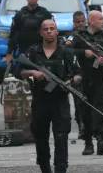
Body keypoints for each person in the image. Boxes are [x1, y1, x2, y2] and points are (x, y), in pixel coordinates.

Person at [17, 19, 79, 173]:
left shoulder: (67, 52)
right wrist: (33, 72)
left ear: (57, 32)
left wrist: (70, 82)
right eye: (46, 29)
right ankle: (45, 168)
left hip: (60, 101)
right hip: (40, 101)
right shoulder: (33, 51)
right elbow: (18, 71)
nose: (49, 31)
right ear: (41, 32)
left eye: (52, 28)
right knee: (41, 137)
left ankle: (61, 169)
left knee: (61, 137)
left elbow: (79, 74)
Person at [72, 10, 103, 156]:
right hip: (83, 80)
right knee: (84, 111)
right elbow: (67, 52)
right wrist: (84, 53)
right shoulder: (79, 37)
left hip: (99, 80)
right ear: (91, 21)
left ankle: (101, 141)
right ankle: (88, 143)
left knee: (100, 110)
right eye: (100, 19)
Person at [4, 0, 52, 65]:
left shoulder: (45, 14)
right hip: (23, 50)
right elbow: (13, 34)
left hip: (41, 51)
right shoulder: (20, 14)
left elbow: (52, 33)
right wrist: (9, 53)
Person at [65, 11, 89, 143]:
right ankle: (82, 128)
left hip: (90, 74)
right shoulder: (71, 37)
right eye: (77, 22)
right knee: (79, 102)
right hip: (76, 73)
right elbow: (67, 50)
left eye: (82, 21)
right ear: (74, 23)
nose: (80, 24)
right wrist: (83, 52)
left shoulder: (90, 35)